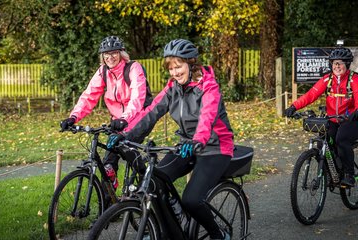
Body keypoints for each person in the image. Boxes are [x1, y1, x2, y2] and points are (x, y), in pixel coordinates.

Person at [106, 39, 233, 240]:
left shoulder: (209, 87)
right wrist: (125, 135)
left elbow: (207, 117)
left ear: (191, 64)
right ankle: (169, 230)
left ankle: (219, 234)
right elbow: (150, 112)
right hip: (186, 146)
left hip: (215, 148)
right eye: (171, 68)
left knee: (191, 199)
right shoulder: (173, 88)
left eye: (178, 66)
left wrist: (198, 140)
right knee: (153, 183)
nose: (174, 72)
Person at [60, 36, 151, 189]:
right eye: (106, 54)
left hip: (139, 117)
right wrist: (73, 117)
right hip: (118, 120)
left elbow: (137, 98)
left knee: (124, 146)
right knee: (108, 161)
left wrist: (124, 119)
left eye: (114, 53)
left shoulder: (133, 68)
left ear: (121, 53)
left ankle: (147, 177)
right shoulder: (103, 72)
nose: (110, 57)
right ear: (102, 56)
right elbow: (89, 95)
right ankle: (109, 202)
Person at [285, 46, 358, 187]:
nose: (337, 66)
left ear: (347, 64)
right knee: (323, 141)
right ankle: (330, 172)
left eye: (340, 63)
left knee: (341, 139)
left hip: (351, 119)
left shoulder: (354, 79)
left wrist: (356, 112)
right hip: (332, 119)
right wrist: (294, 106)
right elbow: (311, 94)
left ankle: (349, 174)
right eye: (334, 63)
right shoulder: (327, 79)